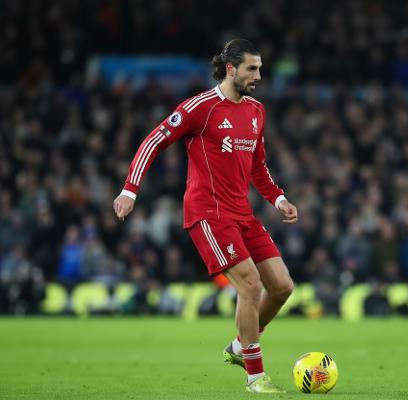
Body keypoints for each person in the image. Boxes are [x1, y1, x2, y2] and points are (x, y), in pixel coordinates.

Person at [113, 38, 297, 393]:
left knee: (282, 287)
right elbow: (153, 141)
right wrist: (129, 190)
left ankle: (241, 346)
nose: (259, 75)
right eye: (251, 68)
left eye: (260, 68)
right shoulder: (201, 107)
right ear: (231, 69)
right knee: (250, 284)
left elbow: (258, 166)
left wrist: (278, 199)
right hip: (208, 214)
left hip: (242, 213)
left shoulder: (256, 111)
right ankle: (255, 376)